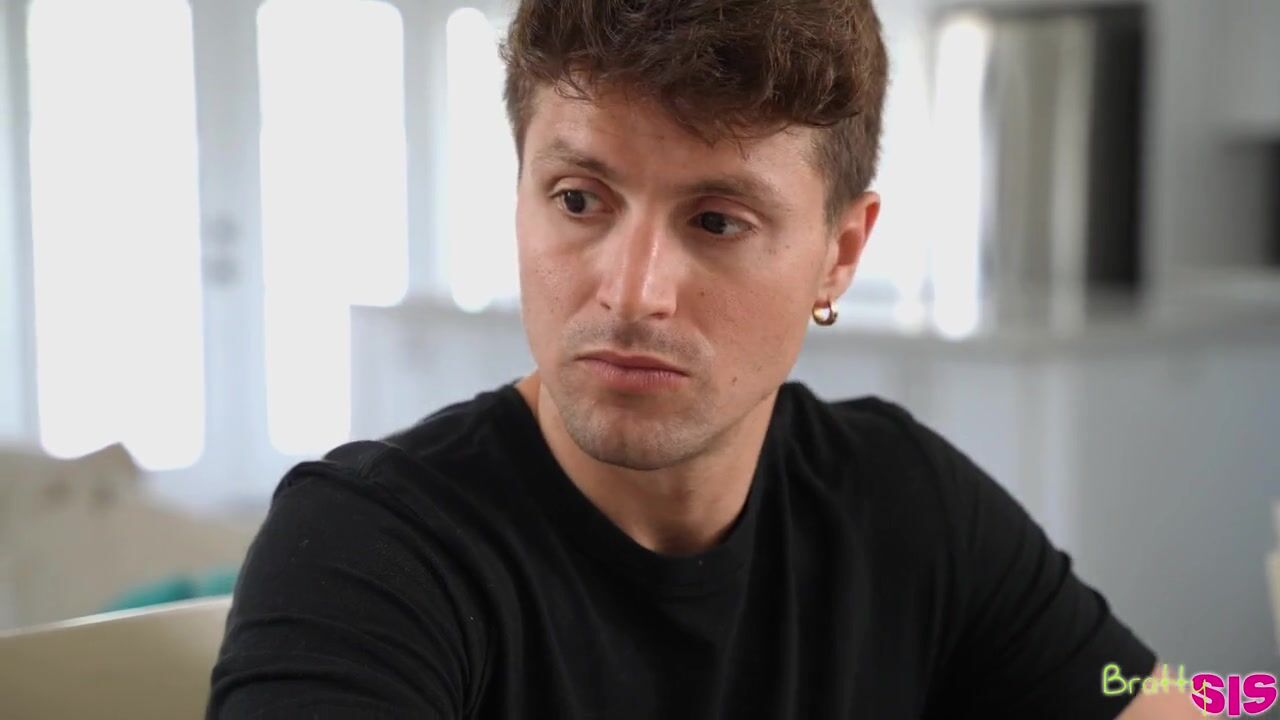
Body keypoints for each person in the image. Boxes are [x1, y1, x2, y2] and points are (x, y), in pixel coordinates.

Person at [208, 1, 1200, 717]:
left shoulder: (904, 503)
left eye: (717, 220)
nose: (631, 290)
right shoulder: (367, 552)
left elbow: (1154, 696)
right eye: (578, 200)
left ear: (839, 254)